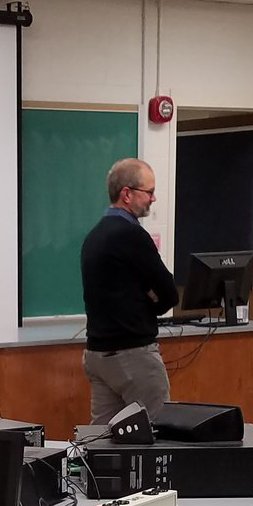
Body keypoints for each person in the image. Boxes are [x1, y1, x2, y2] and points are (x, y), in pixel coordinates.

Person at [80, 158, 177, 424]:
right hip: (132, 355)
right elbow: (169, 294)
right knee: (157, 432)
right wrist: (149, 305)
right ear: (127, 194)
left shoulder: (94, 236)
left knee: (101, 438)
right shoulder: (131, 235)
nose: (153, 198)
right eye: (149, 192)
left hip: (98, 354)